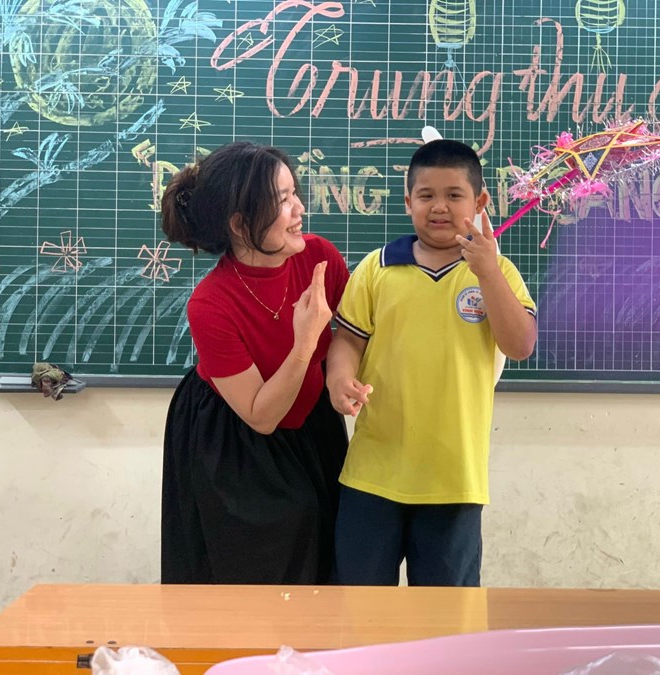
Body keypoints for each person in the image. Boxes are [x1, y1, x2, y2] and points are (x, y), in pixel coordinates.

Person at [326, 138, 538, 587]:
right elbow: (347, 340)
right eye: (426, 195)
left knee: (447, 615)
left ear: (479, 203)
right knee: (360, 607)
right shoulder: (378, 268)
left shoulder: (498, 273)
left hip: (454, 479)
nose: (439, 207)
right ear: (408, 202)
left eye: (454, 195)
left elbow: (520, 344)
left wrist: (487, 271)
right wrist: (340, 378)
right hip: (373, 473)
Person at [159, 141, 349, 585]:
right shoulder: (210, 303)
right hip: (236, 439)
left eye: (294, 193)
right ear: (240, 224)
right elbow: (261, 416)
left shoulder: (319, 257)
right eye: (282, 200)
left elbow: (353, 337)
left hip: (311, 422)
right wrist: (305, 342)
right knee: (258, 566)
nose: (299, 209)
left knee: (328, 546)